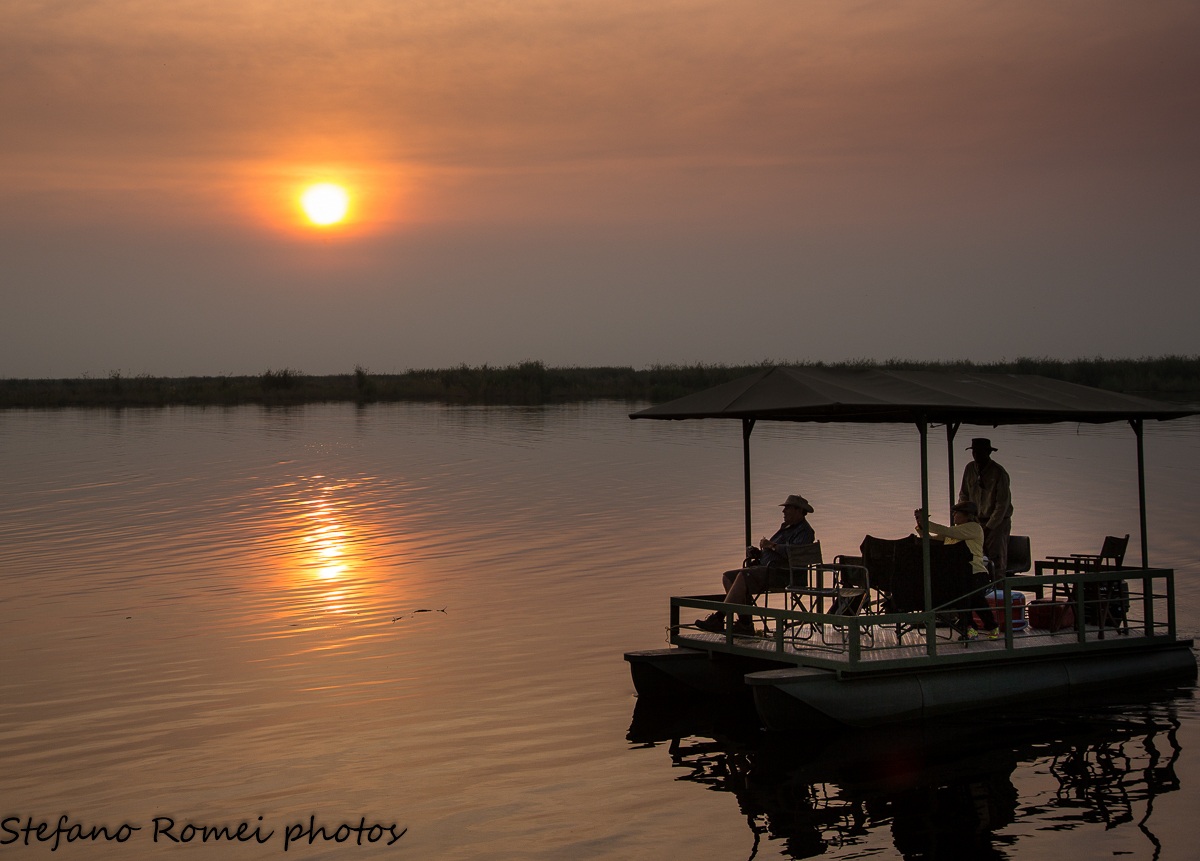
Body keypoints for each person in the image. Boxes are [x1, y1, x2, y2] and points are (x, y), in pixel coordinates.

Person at [695, 494, 816, 636]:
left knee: (743, 577)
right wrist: (759, 553)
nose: (783, 512)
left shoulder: (805, 531)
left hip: (785, 574)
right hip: (768, 569)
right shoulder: (786, 528)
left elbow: (793, 554)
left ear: (799, 511)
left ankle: (719, 618)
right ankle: (745, 623)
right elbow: (776, 551)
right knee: (728, 577)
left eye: (787, 508)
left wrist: (771, 545)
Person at [914, 500, 999, 640]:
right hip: (958, 574)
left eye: (957, 512)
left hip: (975, 572)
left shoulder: (973, 527)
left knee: (973, 597)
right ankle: (971, 628)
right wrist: (920, 524)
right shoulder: (954, 532)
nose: (953, 515)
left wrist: (925, 522)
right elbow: (928, 538)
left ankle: (990, 626)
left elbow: (946, 530)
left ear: (968, 515)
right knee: (962, 597)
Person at [958, 437, 1014, 578]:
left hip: (997, 523)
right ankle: (979, 591)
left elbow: (1002, 505)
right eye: (974, 452)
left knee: (996, 558)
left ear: (988, 453)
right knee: (974, 557)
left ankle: (999, 589)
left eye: (980, 452)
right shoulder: (969, 468)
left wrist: (988, 528)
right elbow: (963, 495)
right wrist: (965, 517)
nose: (976, 455)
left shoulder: (999, 473)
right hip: (976, 521)